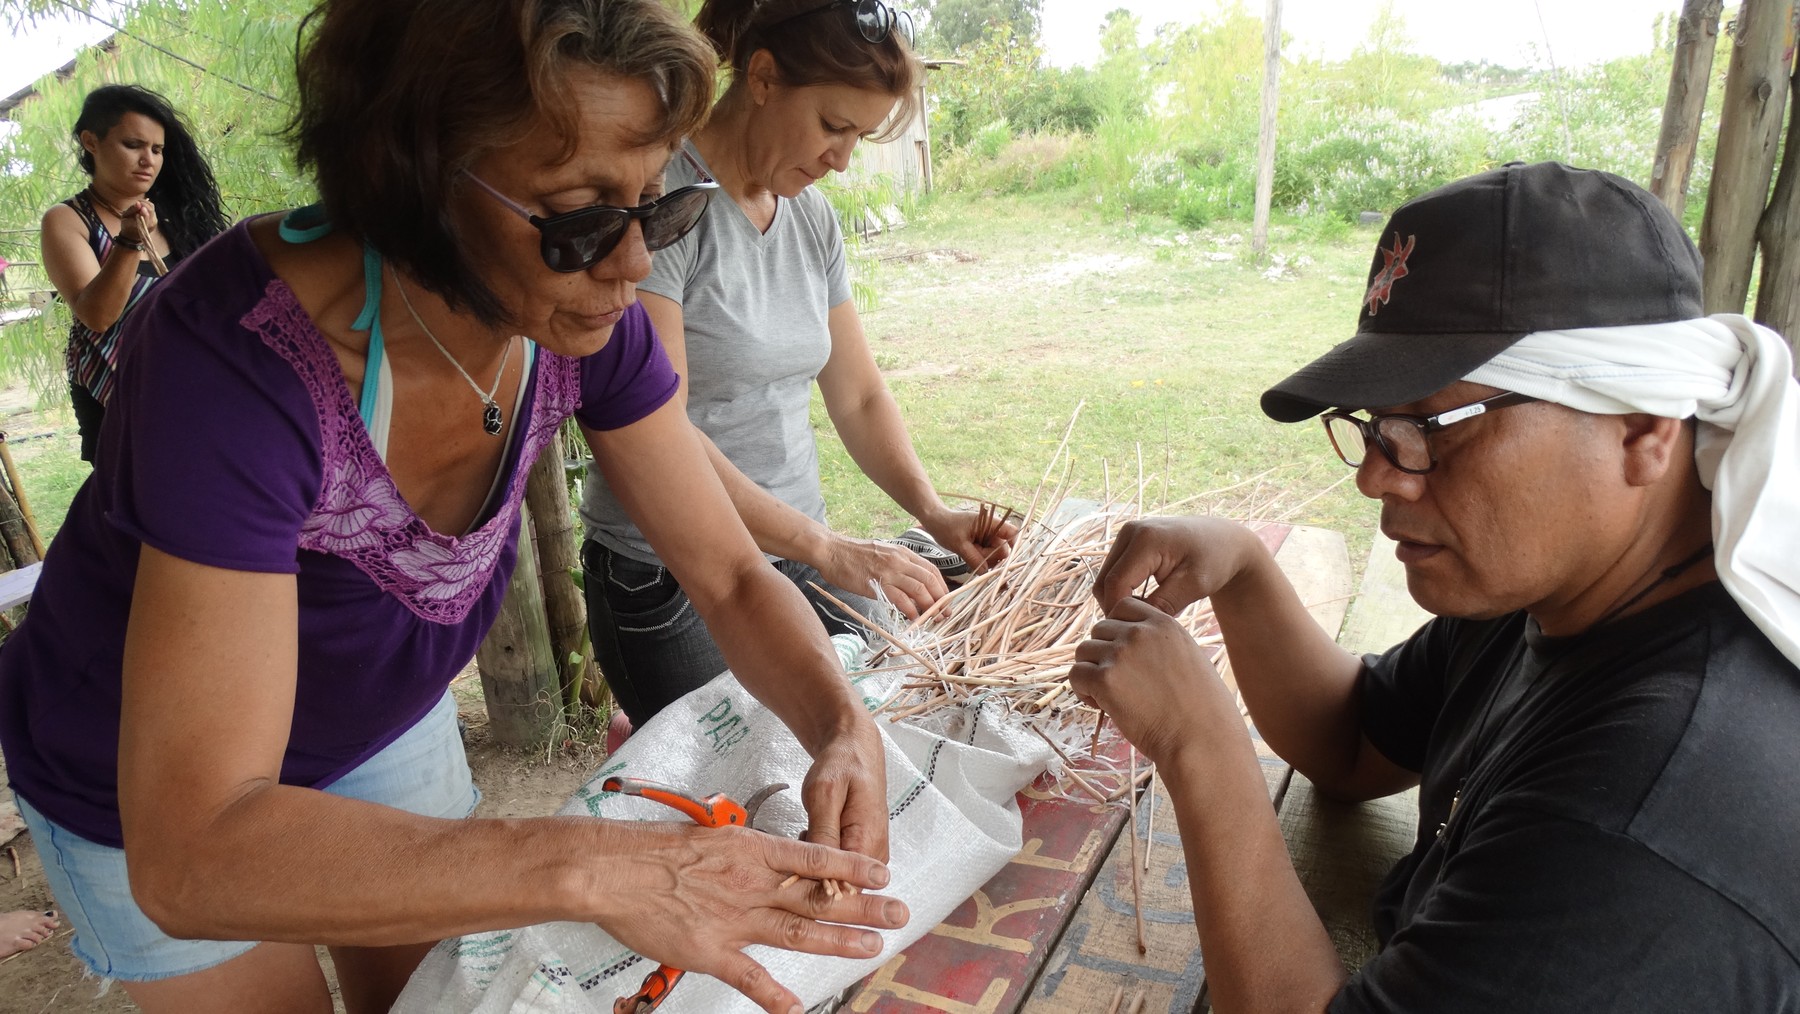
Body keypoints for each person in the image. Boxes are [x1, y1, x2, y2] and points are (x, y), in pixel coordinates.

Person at [0, 3, 909, 1013]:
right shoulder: (235, 362)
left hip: (373, 720)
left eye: (657, 204)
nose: (634, 263)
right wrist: (597, 867)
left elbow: (732, 574)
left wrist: (838, 723)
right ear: (415, 176)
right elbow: (195, 855)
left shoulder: (578, 317)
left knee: (432, 1001)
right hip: (147, 788)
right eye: (582, 216)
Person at [1070, 162, 1800, 1012]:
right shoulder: (1553, 584)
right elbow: (1352, 744)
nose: (1378, 477)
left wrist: (1199, 745)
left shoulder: (1651, 819)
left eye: (1427, 428)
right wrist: (1242, 568)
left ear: (1641, 429)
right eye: (1376, 427)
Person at [578, 0, 1017, 727]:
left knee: (888, 723)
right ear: (763, 78)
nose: (842, 158)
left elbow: (860, 396)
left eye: (860, 136)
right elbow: (660, 430)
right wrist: (829, 547)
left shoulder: (808, 216)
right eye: (834, 126)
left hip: (796, 549)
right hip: (673, 573)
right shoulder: (662, 207)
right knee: (755, 782)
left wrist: (934, 514)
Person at [40, 84, 227, 463]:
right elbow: (97, 316)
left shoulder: (181, 216)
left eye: (157, 150)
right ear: (91, 142)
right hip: (119, 399)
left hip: (197, 389)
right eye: (133, 145)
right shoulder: (68, 220)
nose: (149, 160)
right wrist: (127, 242)